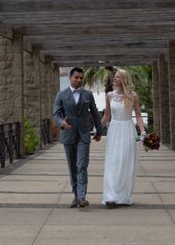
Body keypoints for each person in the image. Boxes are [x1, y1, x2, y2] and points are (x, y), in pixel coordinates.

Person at [52, 67, 103, 209]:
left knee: (81, 165)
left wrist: (99, 130)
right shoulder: (61, 95)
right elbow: (55, 114)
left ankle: (82, 197)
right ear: (70, 77)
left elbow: (94, 113)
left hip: (84, 135)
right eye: (76, 77)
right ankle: (75, 195)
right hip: (68, 135)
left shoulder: (88, 94)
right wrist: (61, 123)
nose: (79, 80)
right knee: (72, 167)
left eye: (81, 78)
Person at [101, 69, 146, 208]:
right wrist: (97, 128)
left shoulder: (133, 96)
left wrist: (143, 132)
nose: (115, 79)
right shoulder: (109, 95)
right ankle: (110, 196)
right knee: (113, 162)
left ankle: (123, 196)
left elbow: (138, 116)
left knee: (125, 162)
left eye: (118, 77)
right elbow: (107, 115)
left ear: (124, 79)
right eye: (115, 76)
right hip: (114, 130)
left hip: (127, 130)